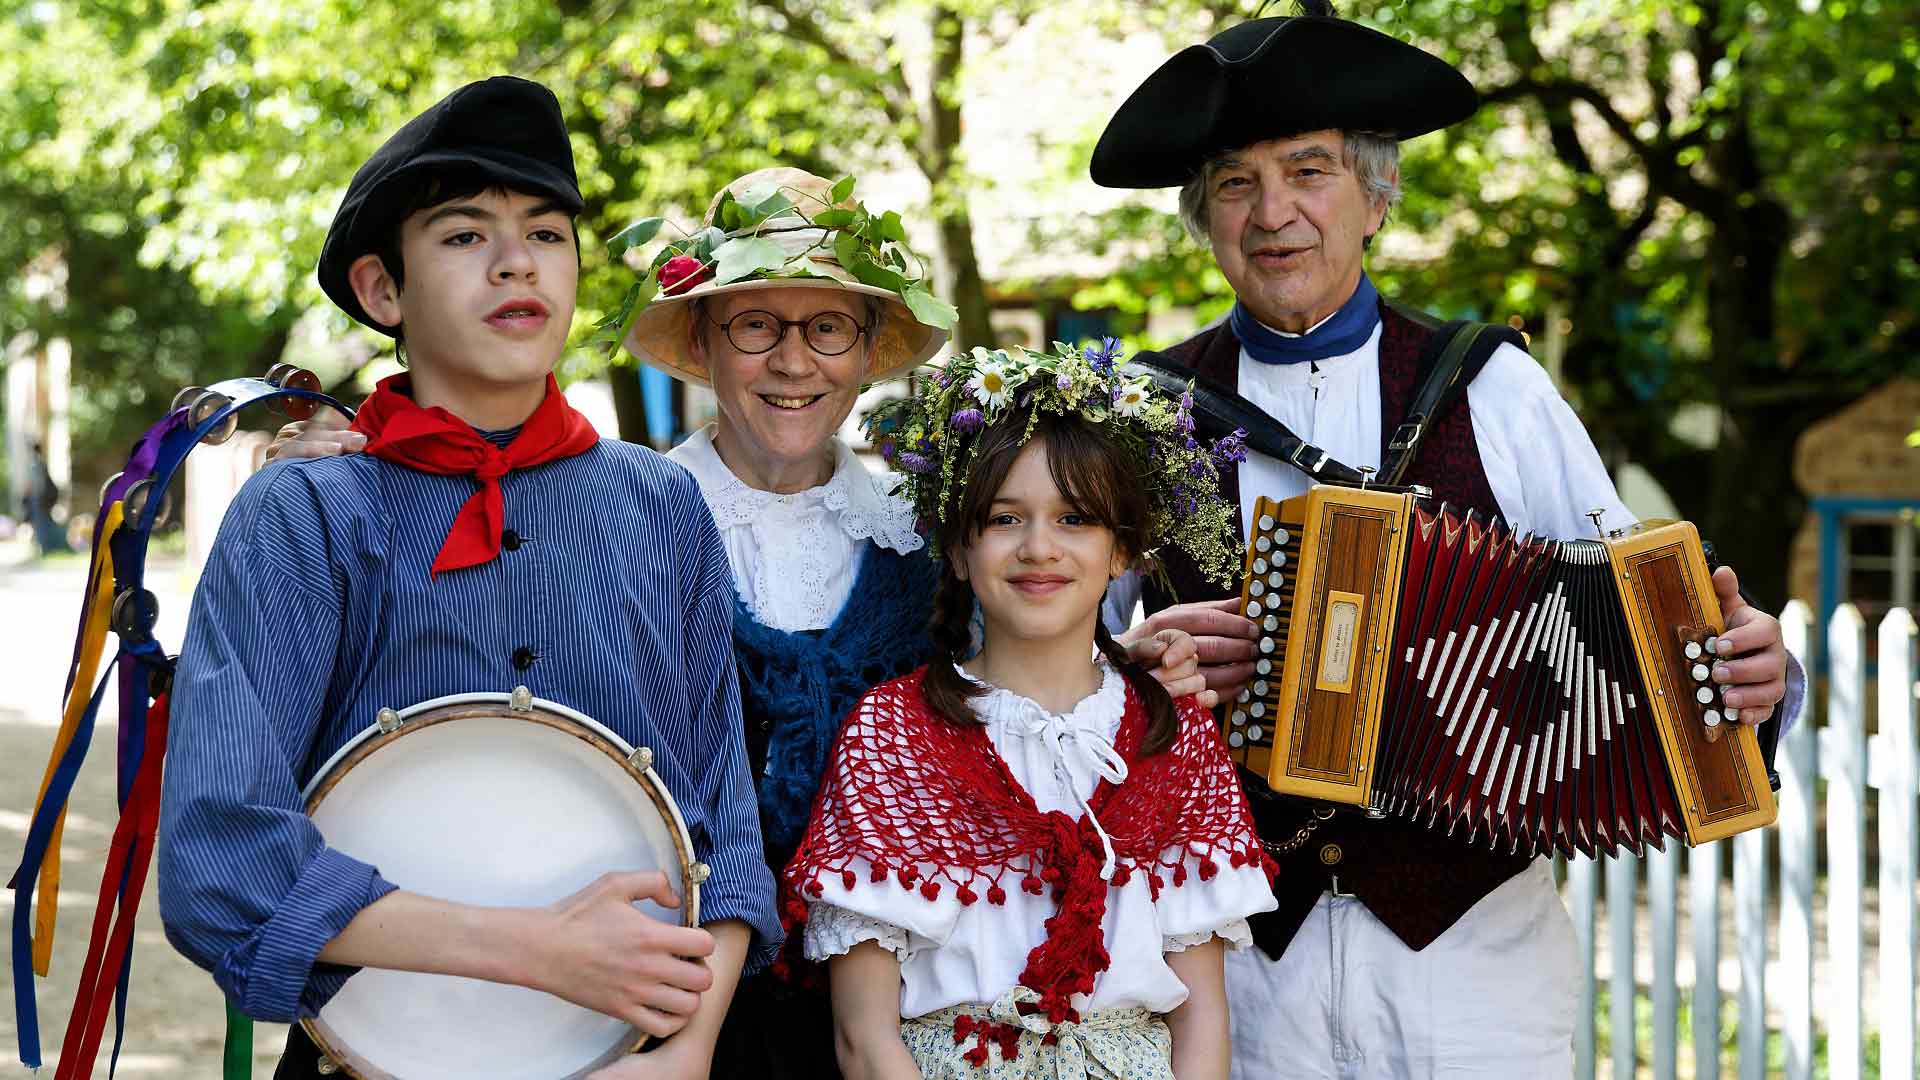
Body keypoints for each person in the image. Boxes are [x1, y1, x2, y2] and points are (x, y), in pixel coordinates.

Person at [268, 165, 1216, 1079]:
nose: (793, 361)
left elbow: (1010, 688)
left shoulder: (934, 538)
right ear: (707, 344)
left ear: (867, 350)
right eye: (756, 325)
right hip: (641, 1000)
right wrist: (348, 477)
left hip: (885, 1007)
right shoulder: (607, 518)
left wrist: (1118, 666)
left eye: (830, 328)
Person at [1088, 5, 1802, 1076]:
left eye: (1309, 171)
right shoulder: (1146, 413)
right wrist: (1132, 680)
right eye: (1236, 182)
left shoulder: (1492, 387)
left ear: (1375, 198)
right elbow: (1032, 678)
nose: (1274, 211)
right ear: (1205, 216)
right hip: (1234, 958)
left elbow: (1639, 626)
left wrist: (1750, 674)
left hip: (1478, 958)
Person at [157, 76, 777, 1080]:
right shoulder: (304, 517)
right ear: (381, 291)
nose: (513, 261)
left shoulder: (660, 505)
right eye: (462, 235)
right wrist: (541, 948)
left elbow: (724, 815)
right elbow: (220, 860)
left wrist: (688, 1053)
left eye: (544, 231)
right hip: (371, 1059)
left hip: (632, 1060)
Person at [783, 342, 1275, 1080]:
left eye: (1075, 519)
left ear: (1121, 552)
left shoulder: (1171, 734)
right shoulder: (894, 736)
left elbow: (1203, 1015)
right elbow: (864, 1038)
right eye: (1005, 519)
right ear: (957, 549)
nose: (1039, 548)